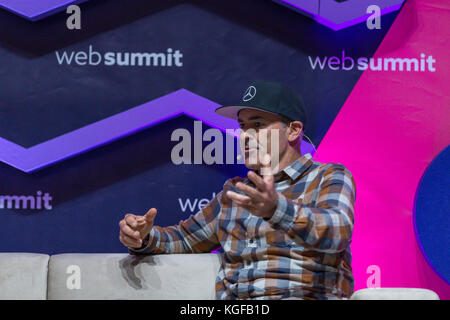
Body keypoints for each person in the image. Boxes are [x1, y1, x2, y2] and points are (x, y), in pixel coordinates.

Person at [119, 80, 356, 300]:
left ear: (293, 130)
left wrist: (276, 209)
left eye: (258, 125)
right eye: (243, 126)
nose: (246, 136)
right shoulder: (235, 193)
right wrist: (142, 238)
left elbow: (336, 233)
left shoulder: (328, 176)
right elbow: (184, 239)